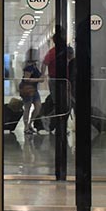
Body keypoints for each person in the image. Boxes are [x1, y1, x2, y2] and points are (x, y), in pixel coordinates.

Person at [43, 27, 73, 181]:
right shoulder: (54, 52)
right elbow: (45, 63)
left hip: (62, 81)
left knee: (66, 104)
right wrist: (43, 76)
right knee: (60, 104)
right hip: (56, 81)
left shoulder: (62, 51)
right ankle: (53, 122)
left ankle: (59, 125)